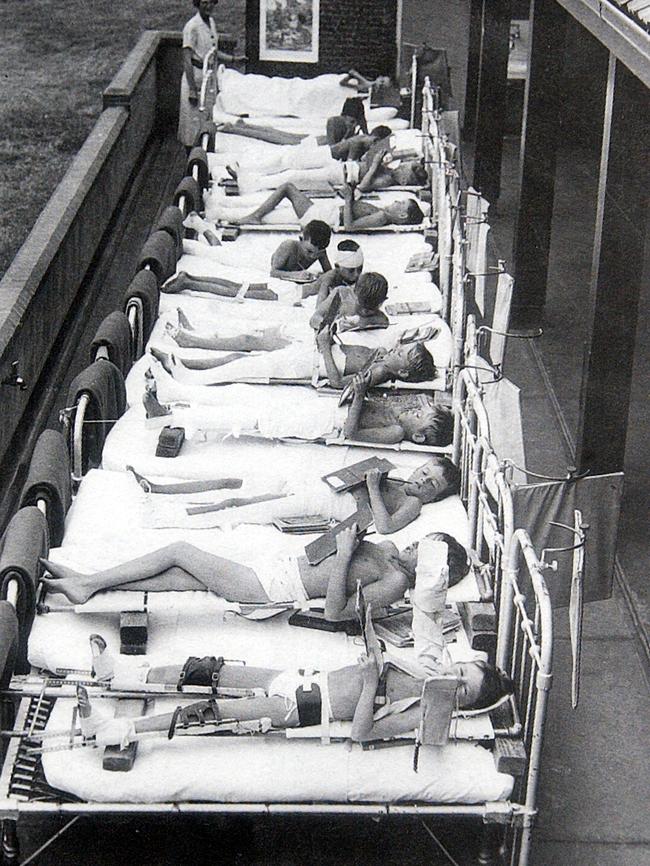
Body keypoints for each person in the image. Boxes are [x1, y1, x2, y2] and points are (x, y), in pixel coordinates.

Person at [76, 635, 513, 747]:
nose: (451, 681)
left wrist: (366, 684)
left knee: (207, 712)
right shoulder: (420, 665)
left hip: (301, 708)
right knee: (211, 669)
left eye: (462, 691)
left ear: (463, 707)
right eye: (459, 672)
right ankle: (123, 670)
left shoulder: (419, 712)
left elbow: (361, 735)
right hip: (300, 677)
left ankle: (116, 729)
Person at [42, 526, 452, 617]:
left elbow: (335, 612)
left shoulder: (396, 583)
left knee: (179, 551)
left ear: (430, 570)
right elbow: (324, 553)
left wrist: (345, 554)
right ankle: (85, 582)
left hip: (271, 589)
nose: (414, 545)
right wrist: (345, 534)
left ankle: (85, 583)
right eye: (422, 539)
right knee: (177, 578)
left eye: (424, 550)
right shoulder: (391, 551)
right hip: (279, 566)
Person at [144, 364, 453, 447]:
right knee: (245, 396)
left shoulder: (396, 432)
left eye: (419, 416)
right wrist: (358, 389)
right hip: (320, 405)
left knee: (249, 418)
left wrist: (359, 396)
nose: (413, 410)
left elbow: (351, 434)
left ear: (419, 436)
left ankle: (172, 418)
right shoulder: (396, 412)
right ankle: (176, 391)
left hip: (319, 422)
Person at [148, 322, 435, 390]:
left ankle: (186, 378)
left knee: (244, 366)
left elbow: (337, 383)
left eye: (403, 354)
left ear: (403, 373)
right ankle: (186, 366)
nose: (397, 349)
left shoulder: (380, 372)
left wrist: (325, 345)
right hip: (313, 353)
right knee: (241, 357)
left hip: (307, 364)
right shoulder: (384, 359)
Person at [211, 181, 425, 230]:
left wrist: (349, 199)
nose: (396, 201)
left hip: (323, 218)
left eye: (400, 203)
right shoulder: (382, 212)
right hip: (326, 212)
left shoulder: (382, 218)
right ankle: (225, 209)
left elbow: (350, 227)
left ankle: (253, 216)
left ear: (403, 216)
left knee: (287, 188)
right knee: (288, 191)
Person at [178, 0, 244, 147]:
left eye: (211, 2)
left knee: (207, 119)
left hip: (208, 79)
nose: (208, 6)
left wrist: (234, 59)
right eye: (204, 3)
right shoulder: (192, 27)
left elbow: (213, 52)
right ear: (198, 4)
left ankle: (204, 158)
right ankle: (190, 162)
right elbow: (187, 61)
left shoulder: (211, 22)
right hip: (194, 79)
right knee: (192, 126)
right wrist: (193, 90)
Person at [360, 456, 462, 534]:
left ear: (435, 498)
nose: (424, 480)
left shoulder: (413, 502)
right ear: (416, 470)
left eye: (433, 484)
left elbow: (385, 527)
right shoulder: (398, 481)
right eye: (424, 473)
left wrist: (373, 487)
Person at [310, 268, 388, 332]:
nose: (364, 312)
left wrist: (362, 322)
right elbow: (314, 318)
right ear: (354, 293)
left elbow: (384, 321)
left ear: (381, 303)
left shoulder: (378, 314)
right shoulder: (342, 295)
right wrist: (333, 326)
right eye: (361, 306)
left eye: (370, 310)